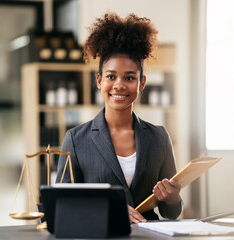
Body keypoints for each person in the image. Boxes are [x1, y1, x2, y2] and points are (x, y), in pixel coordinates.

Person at [56, 12, 182, 223]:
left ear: (141, 83)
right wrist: (109, 210)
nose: (119, 85)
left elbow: (171, 213)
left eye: (129, 78)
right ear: (99, 80)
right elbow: (63, 206)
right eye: (111, 76)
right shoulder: (76, 140)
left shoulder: (159, 137)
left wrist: (172, 197)